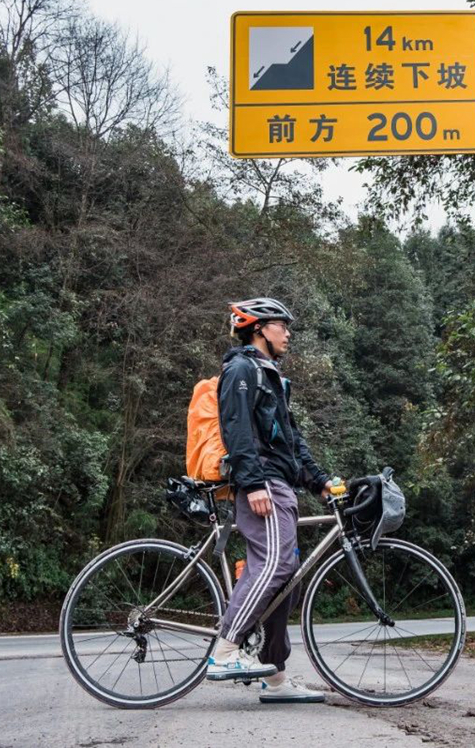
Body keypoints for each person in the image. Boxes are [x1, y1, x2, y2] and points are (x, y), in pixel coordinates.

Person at [205, 297, 334, 704]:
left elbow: (291, 441)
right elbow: (236, 428)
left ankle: (274, 678)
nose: (288, 332)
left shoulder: (271, 376)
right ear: (259, 328)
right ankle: (225, 652)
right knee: (274, 563)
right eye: (283, 325)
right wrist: (253, 482)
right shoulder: (242, 369)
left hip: (280, 483)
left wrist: (320, 482)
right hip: (263, 485)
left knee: (286, 577)